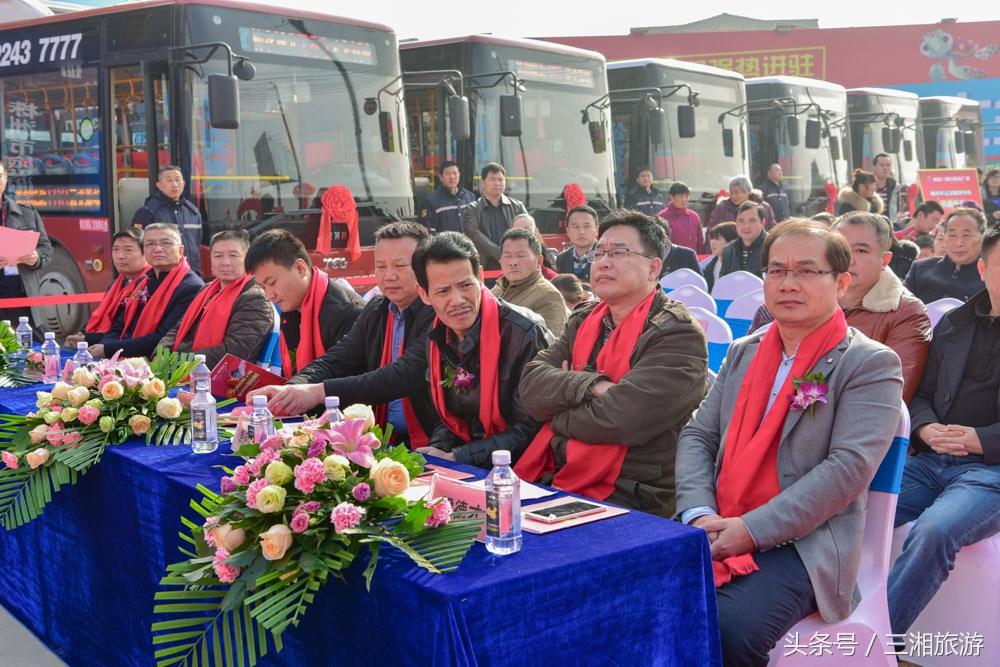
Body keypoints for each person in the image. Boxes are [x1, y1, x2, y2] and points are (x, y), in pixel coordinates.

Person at [675, 219, 904, 666]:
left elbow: (848, 469)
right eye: (776, 271)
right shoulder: (746, 350)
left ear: (841, 282)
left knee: (727, 625)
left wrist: (751, 530)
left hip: (807, 543)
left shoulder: (869, 364)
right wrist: (700, 513)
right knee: (634, 591)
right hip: (718, 517)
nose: (788, 283)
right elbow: (699, 434)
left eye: (805, 270)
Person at [515, 210, 708, 518]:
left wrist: (558, 416)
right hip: (559, 469)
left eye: (618, 253)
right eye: (599, 253)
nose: (603, 262)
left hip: (634, 489)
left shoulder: (677, 333)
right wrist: (592, 386)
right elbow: (530, 388)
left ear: (653, 268)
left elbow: (626, 417)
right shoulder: (583, 319)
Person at [888, 224, 1000, 642]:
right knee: (849, 508)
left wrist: (981, 440)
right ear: (984, 269)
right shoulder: (953, 322)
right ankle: (816, 618)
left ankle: (875, 644)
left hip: (990, 473)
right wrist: (926, 428)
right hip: (931, 459)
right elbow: (921, 395)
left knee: (934, 531)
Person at [246, 223, 440, 446]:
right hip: (381, 437)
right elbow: (337, 360)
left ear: (424, 267)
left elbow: (400, 375)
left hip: (430, 440)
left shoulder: (436, 311)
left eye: (400, 265)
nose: (389, 276)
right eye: (380, 266)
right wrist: (290, 390)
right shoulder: (377, 309)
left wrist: (318, 392)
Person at [412, 232, 552, 468]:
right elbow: (451, 420)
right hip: (472, 461)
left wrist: (458, 457)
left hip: (524, 468)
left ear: (480, 277)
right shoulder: (436, 337)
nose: (457, 300)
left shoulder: (525, 333)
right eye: (443, 291)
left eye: (465, 285)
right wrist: (438, 450)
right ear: (424, 294)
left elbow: (531, 428)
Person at [831, 212, 932, 403]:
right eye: (840, 249)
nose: (848, 260)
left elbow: (890, 397)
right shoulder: (809, 298)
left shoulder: (907, 312)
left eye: (861, 251)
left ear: (884, 260)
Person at [244, 229, 365, 378]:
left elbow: (342, 379)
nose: (269, 295)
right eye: (263, 287)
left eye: (272, 283)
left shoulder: (347, 313)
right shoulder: (291, 308)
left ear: (300, 268)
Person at [158, 230, 272, 368]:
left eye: (233, 255)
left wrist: (175, 359)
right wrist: (161, 355)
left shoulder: (254, 297)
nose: (225, 262)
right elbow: (177, 329)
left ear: (248, 259)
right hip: (185, 366)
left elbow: (233, 352)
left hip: (224, 379)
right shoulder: (207, 290)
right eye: (218, 256)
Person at [94, 223, 203, 359]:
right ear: (144, 251)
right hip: (125, 358)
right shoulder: (142, 282)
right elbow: (120, 326)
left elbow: (163, 337)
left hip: (159, 363)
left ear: (181, 251)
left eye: (166, 243)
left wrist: (108, 349)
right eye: (150, 244)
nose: (157, 249)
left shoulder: (191, 287)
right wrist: (104, 348)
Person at [66, 228, 148, 347]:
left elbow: (123, 330)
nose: (120, 256)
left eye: (128, 250)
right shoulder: (116, 284)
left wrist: (87, 338)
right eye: (115, 250)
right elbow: (98, 315)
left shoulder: (148, 286)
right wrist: (81, 335)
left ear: (145, 253)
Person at [0, 158, 53, 330]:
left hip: (22, 297)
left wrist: (36, 258)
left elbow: (46, 249)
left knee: (26, 350)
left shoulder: (27, 213)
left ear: (6, 179)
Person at [492, 228, 567, 337]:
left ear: (539, 261)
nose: (513, 262)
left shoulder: (549, 296)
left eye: (520, 256)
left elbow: (549, 348)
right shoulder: (495, 291)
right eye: (507, 256)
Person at [904, 206, 986, 303]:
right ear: (944, 238)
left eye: (966, 235)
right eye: (952, 236)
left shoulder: (991, 276)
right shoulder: (920, 269)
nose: (958, 243)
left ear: (983, 238)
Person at [131, 165, 204, 275]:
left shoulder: (193, 212)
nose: (174, 184)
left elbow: (197, 242)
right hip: (161, 276)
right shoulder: (148, 212)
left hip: (192, 274)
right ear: (159, 186)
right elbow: (138, 247)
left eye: (177, 180)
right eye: (169, 180)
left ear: (183, 183)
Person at [462, 163, 527, 272]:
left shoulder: (517, 206)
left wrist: (514, 255)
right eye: (492, 179)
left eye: (500, 180)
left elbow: (528, 231)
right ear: (483, 183)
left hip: (516, 265)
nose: (497, 183)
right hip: (485, 267)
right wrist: (502, 255)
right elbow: (474, 234)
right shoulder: (472, 209)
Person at [708, 175, 776, 237]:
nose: (733, 196)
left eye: (737, 192)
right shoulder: (722, 208)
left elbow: (772, 232)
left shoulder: (765, 208)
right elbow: (711, 231)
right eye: (731, 192)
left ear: (748, 190)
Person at [419, 161, 475, 235]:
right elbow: (428, 233)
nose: (452, 177)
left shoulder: (469, 197)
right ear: (440, 177)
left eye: (455, 173)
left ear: (459, 175)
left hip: (467, 245)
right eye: (448, 174)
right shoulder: (431, 201)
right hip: (445, 245)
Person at [719, 201, 767, 278]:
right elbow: (724, 283)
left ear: (763, 223)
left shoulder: (772, 247)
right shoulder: (728, 251)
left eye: (752, 221)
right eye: (741, 221)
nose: (746, 226)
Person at [655, 181, 704, 253]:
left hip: (693, 259)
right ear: (671, 197)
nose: (684, 200)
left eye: (686, 196)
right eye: (680, 196)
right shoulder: (662, 216)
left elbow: (700, 241)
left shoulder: (694, 216)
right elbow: (659, 243)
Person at [555, 205, 599, 282]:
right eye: (576, 227)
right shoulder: (562, 259)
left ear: (596, 229)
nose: (581, 232)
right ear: (568, 231)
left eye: (587, 226)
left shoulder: (605, 256)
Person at [511, 213, 558, 279]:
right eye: (518, 231)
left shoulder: (551, 278)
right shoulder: (504, 280)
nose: (522, 235)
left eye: (527, 230)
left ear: (536, 232)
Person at [704, 222, 739, 292]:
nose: (712, 242)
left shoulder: (740, 264)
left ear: (731, 242)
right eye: (711, 238)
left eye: (717, 239)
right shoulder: (709, 266)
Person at [873, 153, 903, 221]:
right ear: (874, 167)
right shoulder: (867, 186)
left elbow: (897, 210)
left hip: (890, 225)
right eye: (881, 165)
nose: (885, 168)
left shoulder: (895, 187)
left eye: (888, 165)